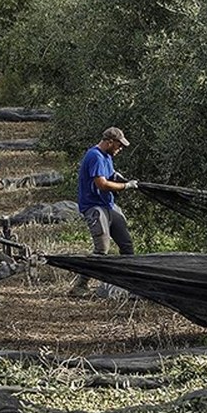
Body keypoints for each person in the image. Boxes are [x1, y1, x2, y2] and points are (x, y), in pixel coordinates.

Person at [69, 126, 138, 297]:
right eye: (119, 145)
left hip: (109, 205)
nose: (120, 149)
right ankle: (80, 286)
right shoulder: (95, 156)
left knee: (127, 245)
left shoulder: (107, 156)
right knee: (101, 249)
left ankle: (129, 283)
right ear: (109, 142)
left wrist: (117, 176)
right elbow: (102, 184)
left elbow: (109, 175)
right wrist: (125, 186)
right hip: (95, 207)